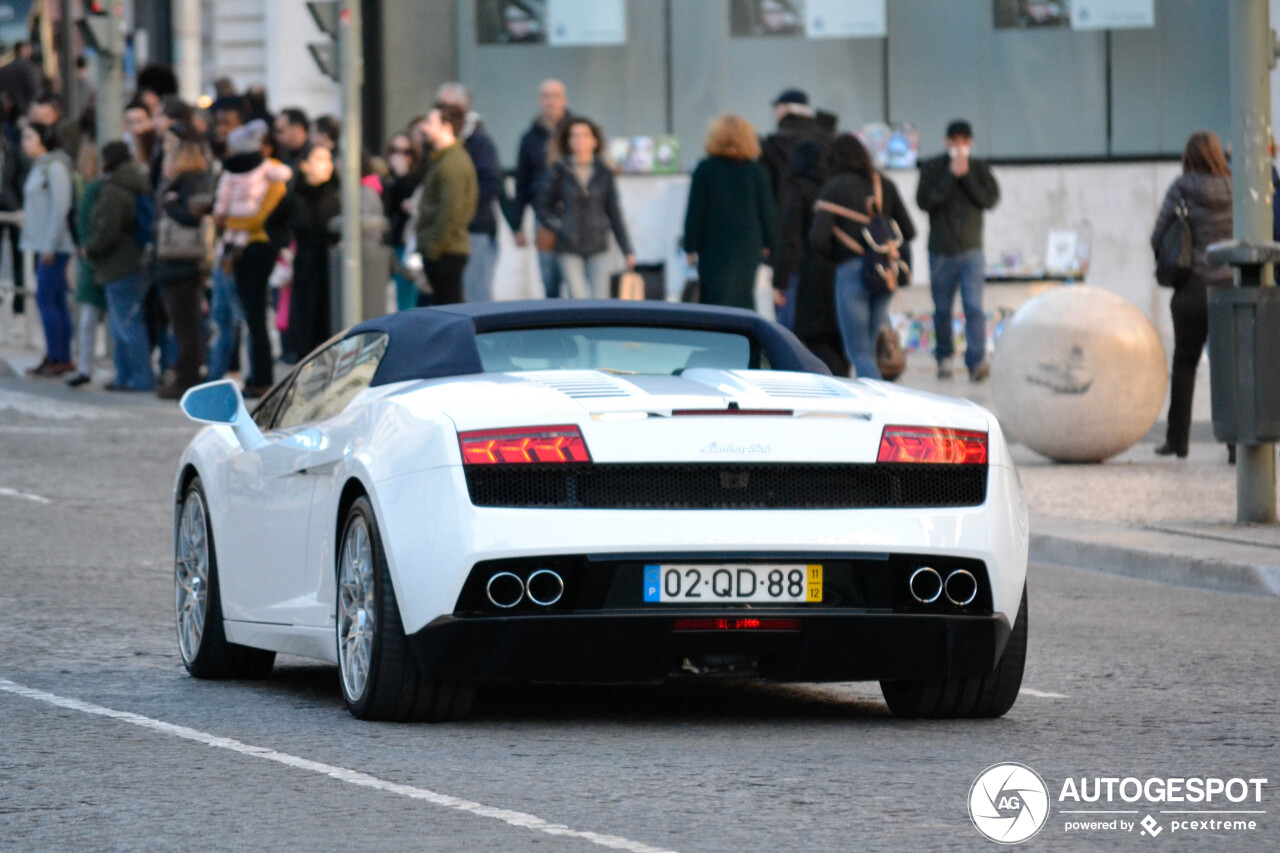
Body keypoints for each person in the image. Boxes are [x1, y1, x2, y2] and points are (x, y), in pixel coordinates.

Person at [1150, 131, 1233, 461]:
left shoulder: (1182, 188)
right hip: (1229, 289)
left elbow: (1159, 236)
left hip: (1192, 290)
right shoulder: (1234, 187)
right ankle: (1234, 445)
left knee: (1185, 363)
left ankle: (1178, 441)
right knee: (1228, 368)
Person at [809, 133, 916, 379]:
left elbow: (818, 239)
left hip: (851, 272)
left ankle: (879, 405)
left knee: (858, 352)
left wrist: (839, 255)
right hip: (884, 273)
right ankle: (879, 398)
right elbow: (908, 230)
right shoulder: (885, 185)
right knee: (869, 347)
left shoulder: (833, 189)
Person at [916, 119, 1000, 382]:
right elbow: (925, 202)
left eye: (964, 141)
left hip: (971, 250)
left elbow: (989, 199)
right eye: (955, 141)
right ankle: (944, 358)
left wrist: (967, 177)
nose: (959, 146)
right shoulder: (932, 167)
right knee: (942, 309)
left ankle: (976, 361)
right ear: (946, 142)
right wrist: (951, 176)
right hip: (941, 251)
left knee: (974, 307)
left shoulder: (979, 168)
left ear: (970, 143)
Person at [214, 119, 292, 396]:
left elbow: (262, 219)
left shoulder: (273, 178)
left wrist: (231, 221)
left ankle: (262, 378)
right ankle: (254, 375)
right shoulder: (236, 175)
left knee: (256, 317)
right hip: (238, 249)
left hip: (258, 249)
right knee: (247, 316)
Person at [682, 113, 779, 310]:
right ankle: (743, 336)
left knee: (713, 297)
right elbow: (767, 210)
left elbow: (695, 212)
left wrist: (690, 245)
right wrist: (771, 241)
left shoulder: (705, 169)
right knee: (743, 295)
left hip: (713, 244)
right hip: (747, 245)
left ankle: (717, 337)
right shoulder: (755, 171)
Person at [536, 116, 634, 299]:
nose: (579, 140)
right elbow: (542, 206)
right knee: (578, 297)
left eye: (584, 135)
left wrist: (627, 249)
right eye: (574, 136)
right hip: (568, 245)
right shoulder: (559, 171)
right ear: (568, 141)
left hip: (598, 244)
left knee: (600, 299)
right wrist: (559, 225)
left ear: (594, 141)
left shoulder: (604, 172)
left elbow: (614, 213)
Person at [85, 141, 154, 391]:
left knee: (125, 324)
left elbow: (107, 229)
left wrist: (91, 248)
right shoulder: (137, 183)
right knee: (126, 322)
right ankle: (127, 377)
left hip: (120, 264)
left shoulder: (114, 189)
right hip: (134, 262)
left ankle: (137, 378)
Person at [772, 139, 846, 374]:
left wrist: (780, 281)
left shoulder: (800, 188)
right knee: (837, 336)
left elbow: (790, 238)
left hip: (807, 274)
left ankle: (827, 380)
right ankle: (842, 380)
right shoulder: (838, 185)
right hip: (841, 268)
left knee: (799, 336)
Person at [153, 123, 213, 399]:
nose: (165, 151)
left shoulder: (193, 180)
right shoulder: (178, 180)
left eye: (169, 146)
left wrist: (172, 205)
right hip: (172, 263)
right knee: (180, 324)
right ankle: (183, 374)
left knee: (187, 325)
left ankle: (188, 378)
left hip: (184, 262)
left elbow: (196, 216)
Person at [436, 82, 502, 303]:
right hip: (453, 232)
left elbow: (490, 183)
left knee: (476, 296)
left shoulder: (478, 140)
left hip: (475, 229)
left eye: (446, 105)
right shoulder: (443, 144)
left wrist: (462, 211)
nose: (440, 111)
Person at [20, 122, 76, 377]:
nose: (24, 141)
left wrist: (50, 244)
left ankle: (57, 356)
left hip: (53, 246)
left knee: (46, 299)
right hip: (42, 243)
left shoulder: (54, 168)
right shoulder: (39, 167)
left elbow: (60, 206)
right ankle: (58, 355)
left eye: (29, 136)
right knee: (54, 300)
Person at [414, 102, 477, 307]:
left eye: (431, 122)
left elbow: (452, 211)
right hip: (443, 249)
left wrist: (433, 247)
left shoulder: (453, 162)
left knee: (450, 309)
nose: (425, 128)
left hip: (446, 252)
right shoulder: (445, 159)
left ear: (446, 127)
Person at [513, 79, 570, 297]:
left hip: (575, 216)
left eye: (556, 96)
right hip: (544, 217)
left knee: (576, 283)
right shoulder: (530, 138)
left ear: (564, 100)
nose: (551, 101)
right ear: (539, 101)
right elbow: (522, 182)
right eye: (546, 96)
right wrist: (517, 225)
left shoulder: (577, 131)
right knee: (549, 280)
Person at [205, 96, 248, 381]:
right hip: (222, 248)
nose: (223, 130)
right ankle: (219, 373)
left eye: (229, 124)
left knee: (238, 317)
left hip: (241, 249)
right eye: (219, 124)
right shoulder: (220, 163)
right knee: (221, 317)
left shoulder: (248, 168)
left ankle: (236, 373)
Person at [286, 143, 340, 356]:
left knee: (329, 321)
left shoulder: (337, 195)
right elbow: (274, 224)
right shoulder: (295, 196)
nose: (326, 165)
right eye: (319, 159)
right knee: (305, 322)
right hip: (306, 266)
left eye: (328, 159)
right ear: (305, 165)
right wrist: (284, 250)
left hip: (332, 266)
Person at [66, 151, 105, 388]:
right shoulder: (91, 187)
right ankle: (84, 366)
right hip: (95, 257)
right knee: (89, 317)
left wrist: (86, 247)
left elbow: (82, 221)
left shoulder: (96, 189)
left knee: (89, 317)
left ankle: (85, 367)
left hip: (98, 258)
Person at [760, 88, 830, 214]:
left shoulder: (771, 144)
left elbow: (766, 188)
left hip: (783, 216)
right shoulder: (825, 139)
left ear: (786, 109)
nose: (776, 112)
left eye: (778, 107)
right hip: (819, 217)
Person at [383, 131, 422, 311]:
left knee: (406, 298)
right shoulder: (383, 178)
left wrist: (401, 175)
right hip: (385, 244)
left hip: (406, 244)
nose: (400, 157)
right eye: (395, 151)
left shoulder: (414, 178)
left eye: (406, 152)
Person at [0, 41, 42, 117]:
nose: (30, 51)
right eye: (28, 48)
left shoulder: (6, 69)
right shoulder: (27, 67)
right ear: (22, 49)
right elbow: (36, 90)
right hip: (26, 111)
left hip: (10, 114)